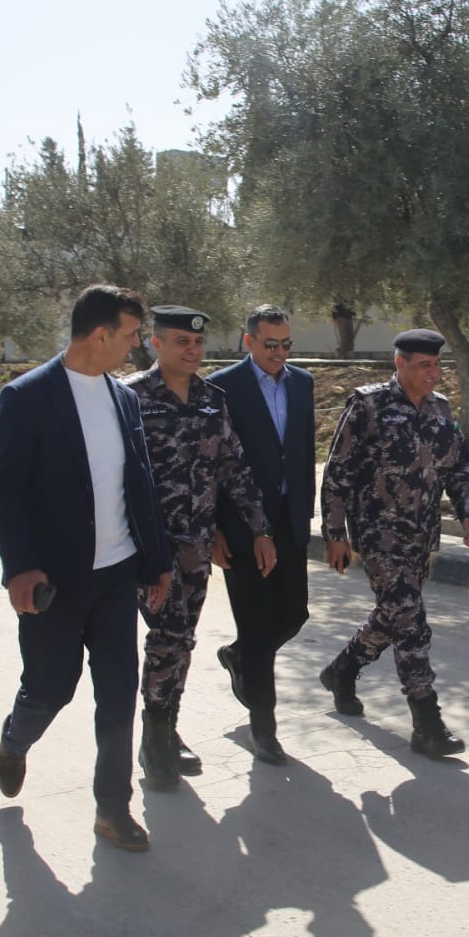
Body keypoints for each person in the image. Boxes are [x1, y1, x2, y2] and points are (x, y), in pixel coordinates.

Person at [0, 285, 174, 853]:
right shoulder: (27, 397)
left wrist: (157, 560)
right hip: (55, 580)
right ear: (99, 335)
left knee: (118, 694)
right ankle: (15, 740)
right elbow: (5, 492)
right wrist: (20, 568)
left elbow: (139, 484)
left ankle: (112, 810)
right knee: (50, 688)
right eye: (131, 334)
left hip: (117, 574)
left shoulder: (123, 399)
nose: (136, 344)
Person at [319, 329, 469, 758]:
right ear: (400, 363)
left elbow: (458, 470)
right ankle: (426, 722)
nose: (433, 373)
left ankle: (343, 669)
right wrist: (335, 534)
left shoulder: (440, 409)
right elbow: (338, 473)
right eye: (424, 365)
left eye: (436, 365)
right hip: (378, 534)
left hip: (420, 534)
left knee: (393, 615)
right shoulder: (368, 405)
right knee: (411, 620)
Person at [126, 306, 274, 788]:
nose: (191, 350)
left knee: (183, 636)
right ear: (156, 344)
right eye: (180, 342)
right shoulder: (130, 397)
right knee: (168, 634)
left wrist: (260, 528)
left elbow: (234, 467)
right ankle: (155, 737)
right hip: (149, 545)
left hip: (197, 542)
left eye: (197, 343)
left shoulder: (212, 399)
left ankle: (167, 725)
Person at [209, 305, 316, 765]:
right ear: (248, 340)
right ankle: (263, 728)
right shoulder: (221, 387)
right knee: (256, 624)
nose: (279, 353)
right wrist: (215, 527)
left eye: (286, 344)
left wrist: (310, 516)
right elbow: (211, 462)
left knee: (293, 614)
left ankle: (239, 656)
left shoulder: (302, 383)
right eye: (270, 344)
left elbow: (304, 451)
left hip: (290, 521)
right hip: (241, 525)